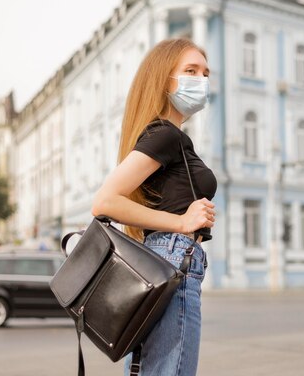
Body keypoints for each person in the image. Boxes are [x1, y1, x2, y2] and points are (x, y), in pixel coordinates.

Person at [91, 38, 217, 376]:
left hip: (167, 259)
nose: (201, 80)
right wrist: (181, 223)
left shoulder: (170, 136)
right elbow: (105, 202)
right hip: (173, 258)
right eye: (190, 71)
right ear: (164, 79)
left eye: (206, 73)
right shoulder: (166, 135)